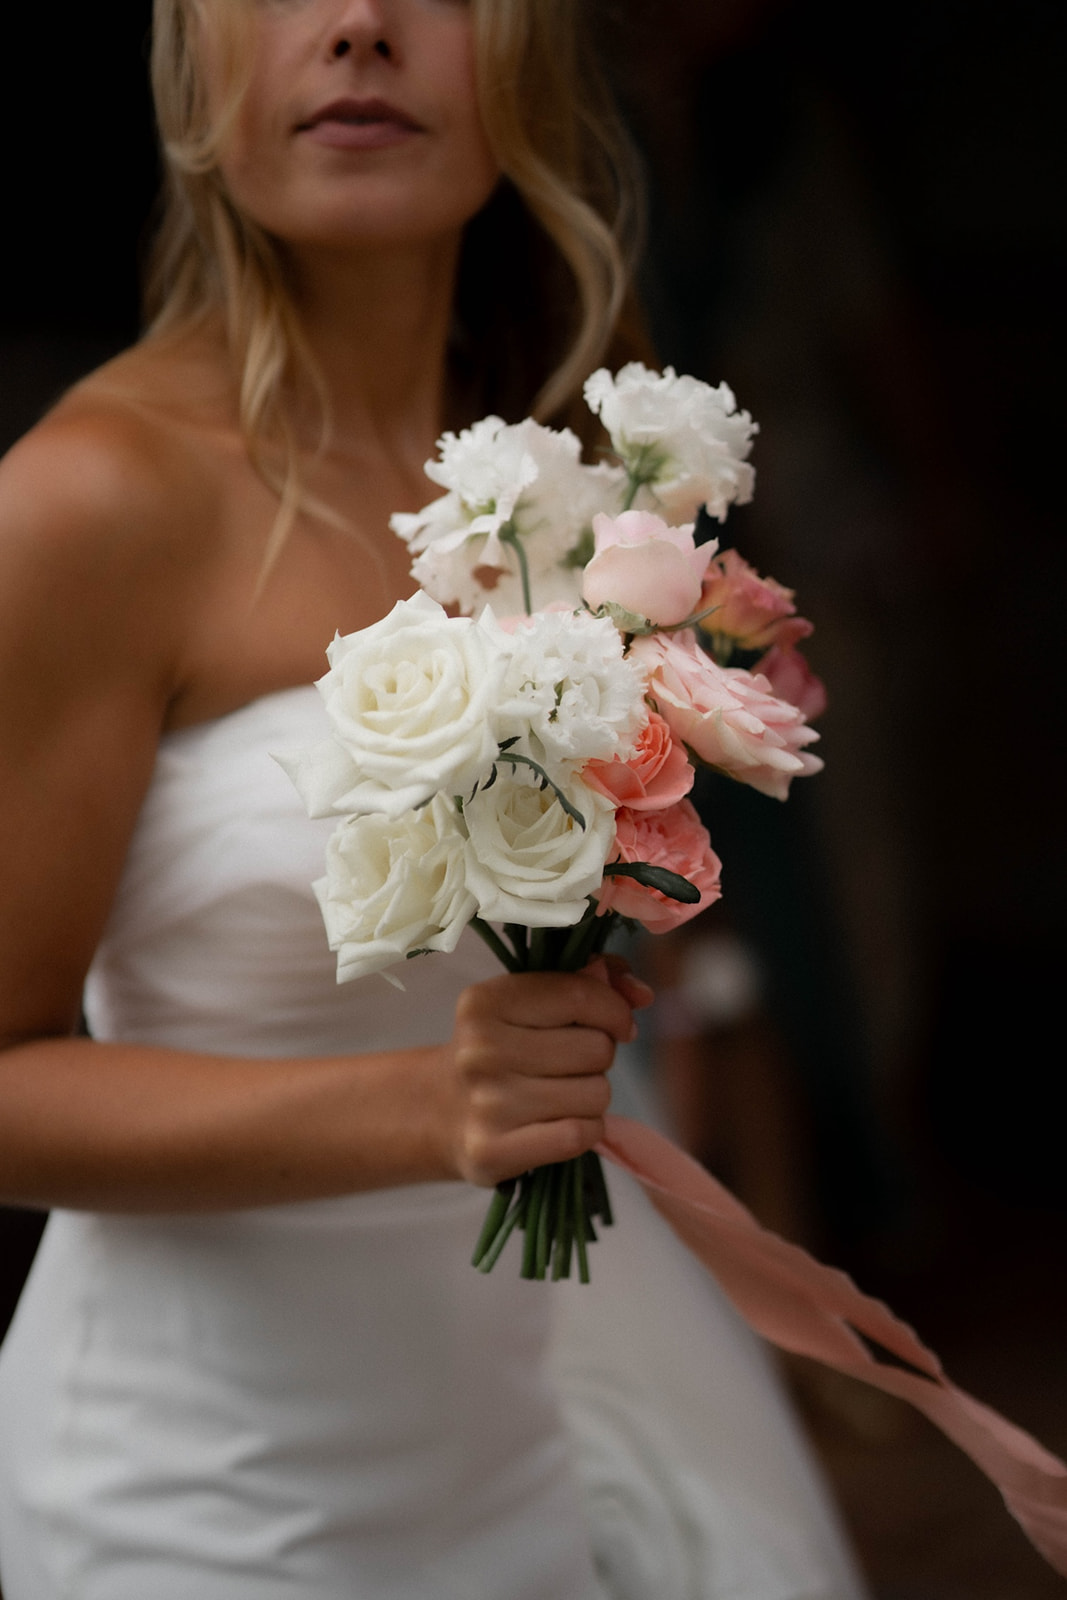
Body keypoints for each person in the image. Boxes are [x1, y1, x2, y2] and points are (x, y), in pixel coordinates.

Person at [0, 2, 868, 1595]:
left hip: (519, 1470)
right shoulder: (84, 507)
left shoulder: (581, 490)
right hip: (193, 1512)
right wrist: (413, 1108)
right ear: (188, 64)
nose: (358, 27)